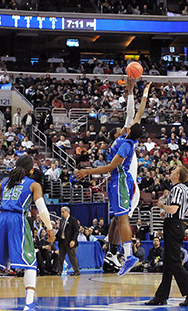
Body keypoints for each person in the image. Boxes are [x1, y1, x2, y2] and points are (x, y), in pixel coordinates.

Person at [75, 82, 152, 276]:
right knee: (117, 219)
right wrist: (140, 93)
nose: (122, 127)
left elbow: (111, 167)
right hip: (118, 181)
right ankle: (114, 252)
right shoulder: (125, 137)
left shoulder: (126, 144)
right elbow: (138, 113)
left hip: (126, 182)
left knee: (122, 218)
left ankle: (126, 254)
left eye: (124, 127)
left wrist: (87, 172)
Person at [0, 155, 54, 311]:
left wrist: (1, 216)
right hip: (17, 220)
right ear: (32, 169)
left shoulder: (6, 182)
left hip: (2, 221)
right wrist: (49, 228)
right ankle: (29, 305)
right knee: (30, 262)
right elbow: (41, 209)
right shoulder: (34, 184)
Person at [145, 166, 188, 306]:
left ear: (178, 176)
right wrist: (168, 213)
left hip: (173, 225)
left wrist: (163, 206)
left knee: (174, 262)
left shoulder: (176, 189)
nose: (171, 172)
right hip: (179, 224)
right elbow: (187, 211)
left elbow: (175, 208)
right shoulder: (186, 189)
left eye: (174, 171)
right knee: (169, 262)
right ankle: (161, 296)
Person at [56, 207, 80, 276]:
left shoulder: (73, 220)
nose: (62, 213)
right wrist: (55, 237)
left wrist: (73, 240)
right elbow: (60, 231)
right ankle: (59, 271)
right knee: (60, 257)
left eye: (63, 212)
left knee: (72, 257)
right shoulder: (62, 220)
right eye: (61, 212)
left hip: (70, 242)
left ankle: (76, 271)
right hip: (62, 242)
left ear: (67, 212)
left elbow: (76, 231)